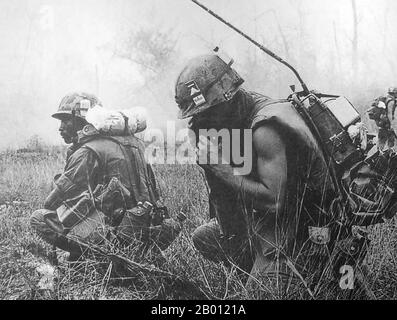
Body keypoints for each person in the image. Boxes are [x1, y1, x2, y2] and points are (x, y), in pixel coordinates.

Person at [174, 54, 358, 298]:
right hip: (274, 225)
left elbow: (275, 200)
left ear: (226, 97)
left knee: (258, 296)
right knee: (205, 237)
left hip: (310, 236)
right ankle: (257, 270)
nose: (201, 119)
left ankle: (324, 278)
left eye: (206, 111)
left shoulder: (265, 128)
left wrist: (221, 169)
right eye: (196, 114)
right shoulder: (236, 118)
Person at [30, 92, 180, 262]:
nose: (61, 127)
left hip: (118, 236)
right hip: (148, 229)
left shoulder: (87, 151)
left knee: (39, 217)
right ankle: (137, 254)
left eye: (66, 120)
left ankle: (98, 259)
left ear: (82, 121)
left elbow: (52, 202)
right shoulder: (135, 144)